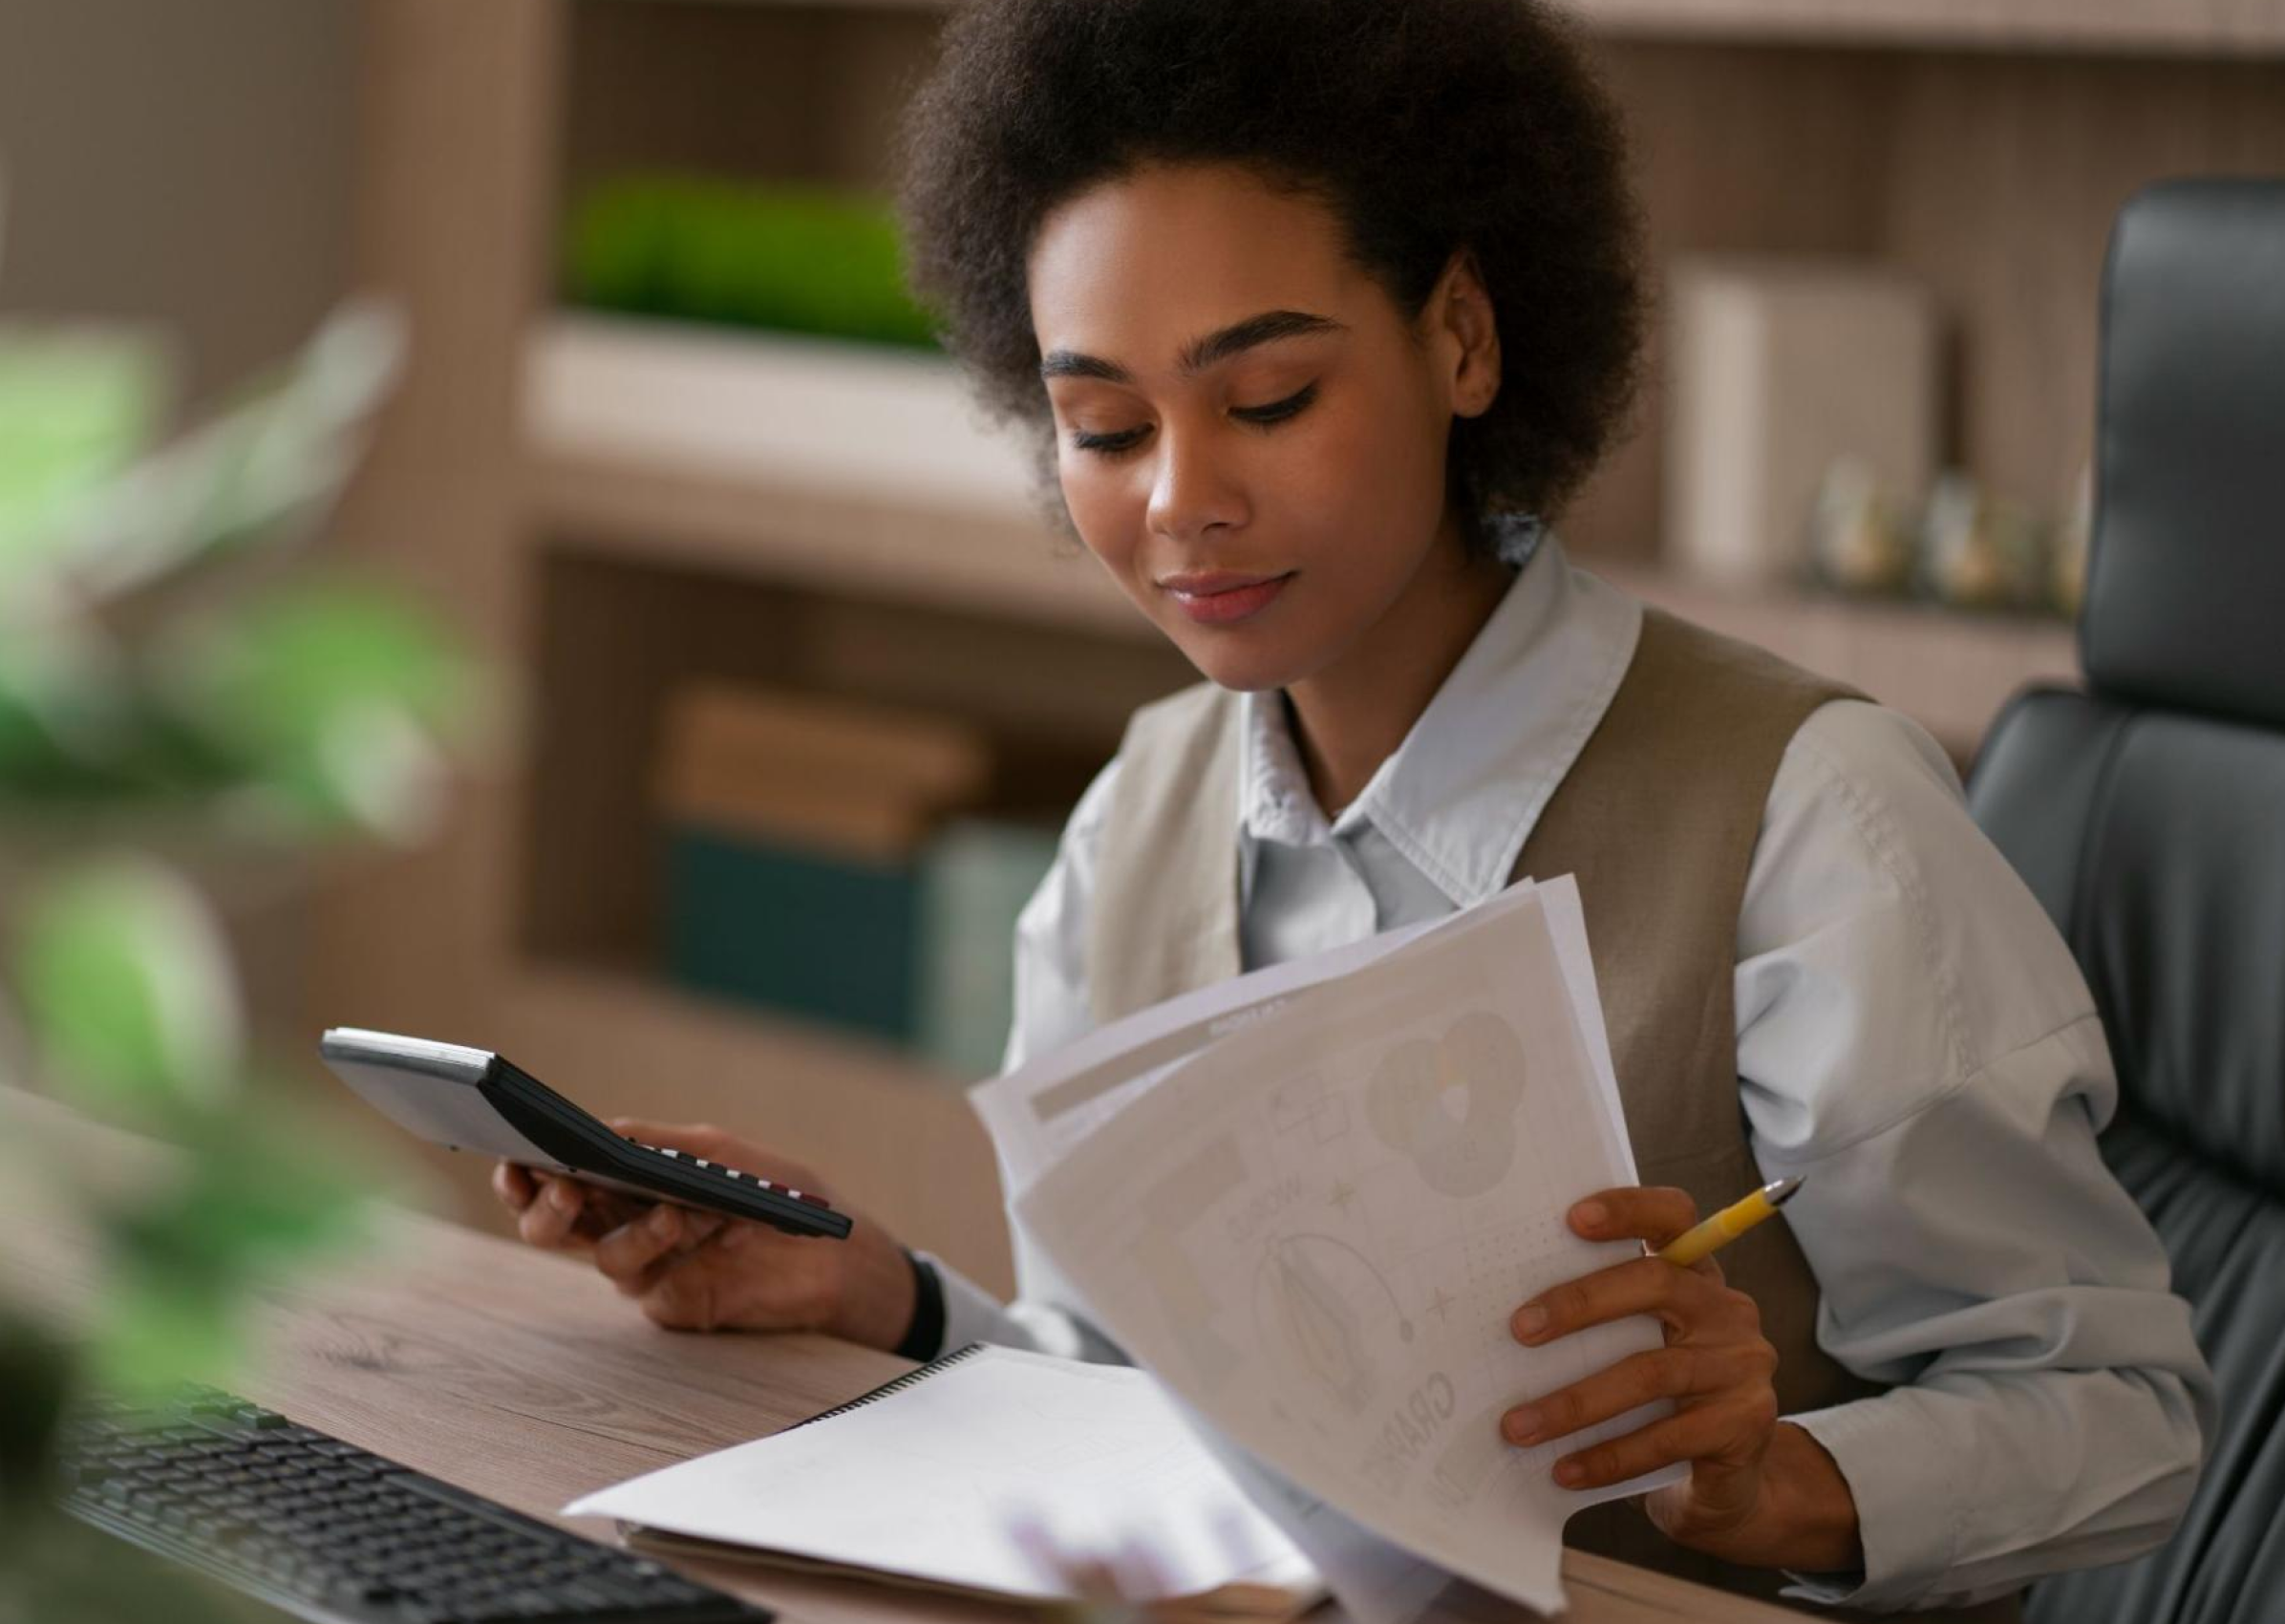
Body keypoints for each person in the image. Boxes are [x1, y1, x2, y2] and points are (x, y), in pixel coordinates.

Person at [496, 0, 2212, 1613]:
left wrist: (1785, 1486)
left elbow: (2119, 1416)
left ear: (1462, 336)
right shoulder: (1133, 828)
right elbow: (1143, 1408)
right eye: (1105, 427)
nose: (1183, 502)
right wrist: (883, 1295)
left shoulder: (1810, 819)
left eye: (1268, 401)